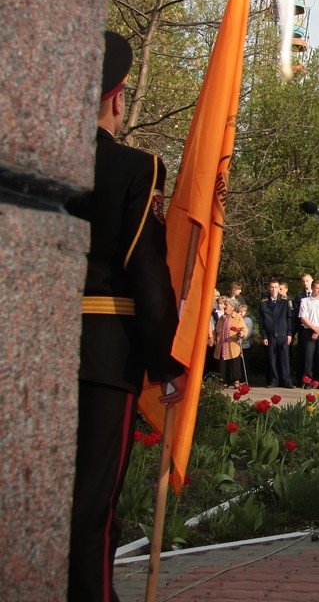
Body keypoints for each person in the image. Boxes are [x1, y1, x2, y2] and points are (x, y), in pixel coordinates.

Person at [66, 31, 187, 602]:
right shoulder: (134, 168)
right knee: (90, 508)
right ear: (118, 97)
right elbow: (146, 272)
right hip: (102, 352)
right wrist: (165, 358)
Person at [260, 277, 294, 388]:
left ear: (279, 288)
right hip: (270, 335)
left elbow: (289, 318)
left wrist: (289, 333)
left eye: (276, 287)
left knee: (285, 359)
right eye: (272, 287)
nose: (274, 289)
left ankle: (286, 381)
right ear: (269, 288)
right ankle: (274, 381)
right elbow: (261, 321)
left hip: (282, 334)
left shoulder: (285, 301)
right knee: (272, 359)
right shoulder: (264, 302)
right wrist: (264, 335)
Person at [298, 279, 319, 388]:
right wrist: (314, 329)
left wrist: (318, 330)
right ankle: (308, 381)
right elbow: (303, 318)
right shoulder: (305, 301)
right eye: (317, 288)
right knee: (308, 357)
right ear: (312, 288)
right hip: (308, 330)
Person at [213, 297, 248, 387]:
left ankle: (236, 381)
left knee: (234, 361)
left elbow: (244, 328)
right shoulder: (222, 317)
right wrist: (222, 321)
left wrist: (242, 333)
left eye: (226, 305)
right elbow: (217, 330)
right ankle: (224, 381)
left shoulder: (237, 317)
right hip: (222, 343)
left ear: (232, 307)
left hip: (233, 343)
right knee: (223, 362)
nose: (224, 306)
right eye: (224, 305)